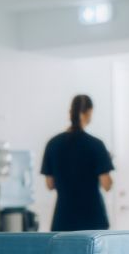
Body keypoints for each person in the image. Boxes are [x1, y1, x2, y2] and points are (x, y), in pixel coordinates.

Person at [41, 94, 115, 231]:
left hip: (63, 220)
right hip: (93, 221)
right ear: (89, 113)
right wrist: (107, 160)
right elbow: (107, 185)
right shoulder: (97, 145)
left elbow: (50, 185)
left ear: (70, 113)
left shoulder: (53, 144)